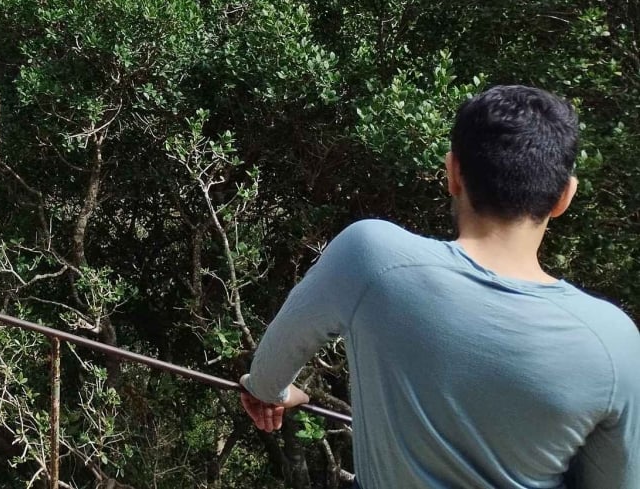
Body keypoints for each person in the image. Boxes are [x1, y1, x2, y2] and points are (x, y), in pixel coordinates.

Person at [239, 85, 640, 488]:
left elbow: (269, 369)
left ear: (453, 172)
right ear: (564, 197)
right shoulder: (613, 340)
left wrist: (271, 392)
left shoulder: (371, 256)